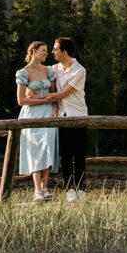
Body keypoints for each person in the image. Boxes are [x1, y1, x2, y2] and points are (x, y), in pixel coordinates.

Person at [15, 41, 58, 202]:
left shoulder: (49, 70)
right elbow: (21, 100)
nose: (46, 53)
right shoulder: (23, 73)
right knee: (34, 150)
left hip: (48, 114)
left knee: (47, 146)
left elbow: (55, 95)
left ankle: (45, 187)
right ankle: (37, 189)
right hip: (30, 114)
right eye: (44, 51)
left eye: (47, 51)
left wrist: (54, 110)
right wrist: (42, 99)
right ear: (34, 51)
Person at [49, 37, 88, 202]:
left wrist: (36, 97)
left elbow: (62, 94)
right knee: (65, 155)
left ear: (64, 52)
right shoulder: (54, 69)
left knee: (79, 154)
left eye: (55, 49)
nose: (53, 52)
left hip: (78, 115)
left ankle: (82, 190)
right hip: (62, 117)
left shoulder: (80, 70)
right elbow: (36, 73)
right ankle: (69, 189)